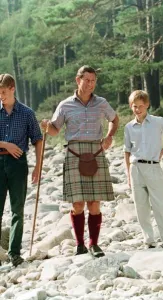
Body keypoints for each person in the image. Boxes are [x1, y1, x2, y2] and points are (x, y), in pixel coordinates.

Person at [41, 65, 119, 258]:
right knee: (77, 205)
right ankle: (80, 244)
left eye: (93, 81)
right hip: (74, 153)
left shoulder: (101, 103)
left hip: (96, 151)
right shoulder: (65, 105)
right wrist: (46, 126)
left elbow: (115, 119)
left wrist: (109, 136)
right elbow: (55, 130)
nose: (90, 84)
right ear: (78, 80)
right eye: (87, 80)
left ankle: (94, 244)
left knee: (94, 203)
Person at [124, 90, 163, 257]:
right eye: (134, 106)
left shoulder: (158, 122)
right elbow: (127, 151)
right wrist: (128, 175)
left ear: (147, 105)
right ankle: (149, 242)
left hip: (153, 167)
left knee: (160, 206)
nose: (137, 109)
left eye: (141, 106)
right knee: (141, 207)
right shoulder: (129, 127)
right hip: (135, 168)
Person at [0, 74, 43, 267]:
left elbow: (37, 139)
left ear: (12, 88)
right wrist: (5, 144)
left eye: (3, 92)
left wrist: (38, 166)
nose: (0, 96)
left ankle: (14, 253)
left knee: (17, 210)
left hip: (18, 165)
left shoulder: (27, 113)